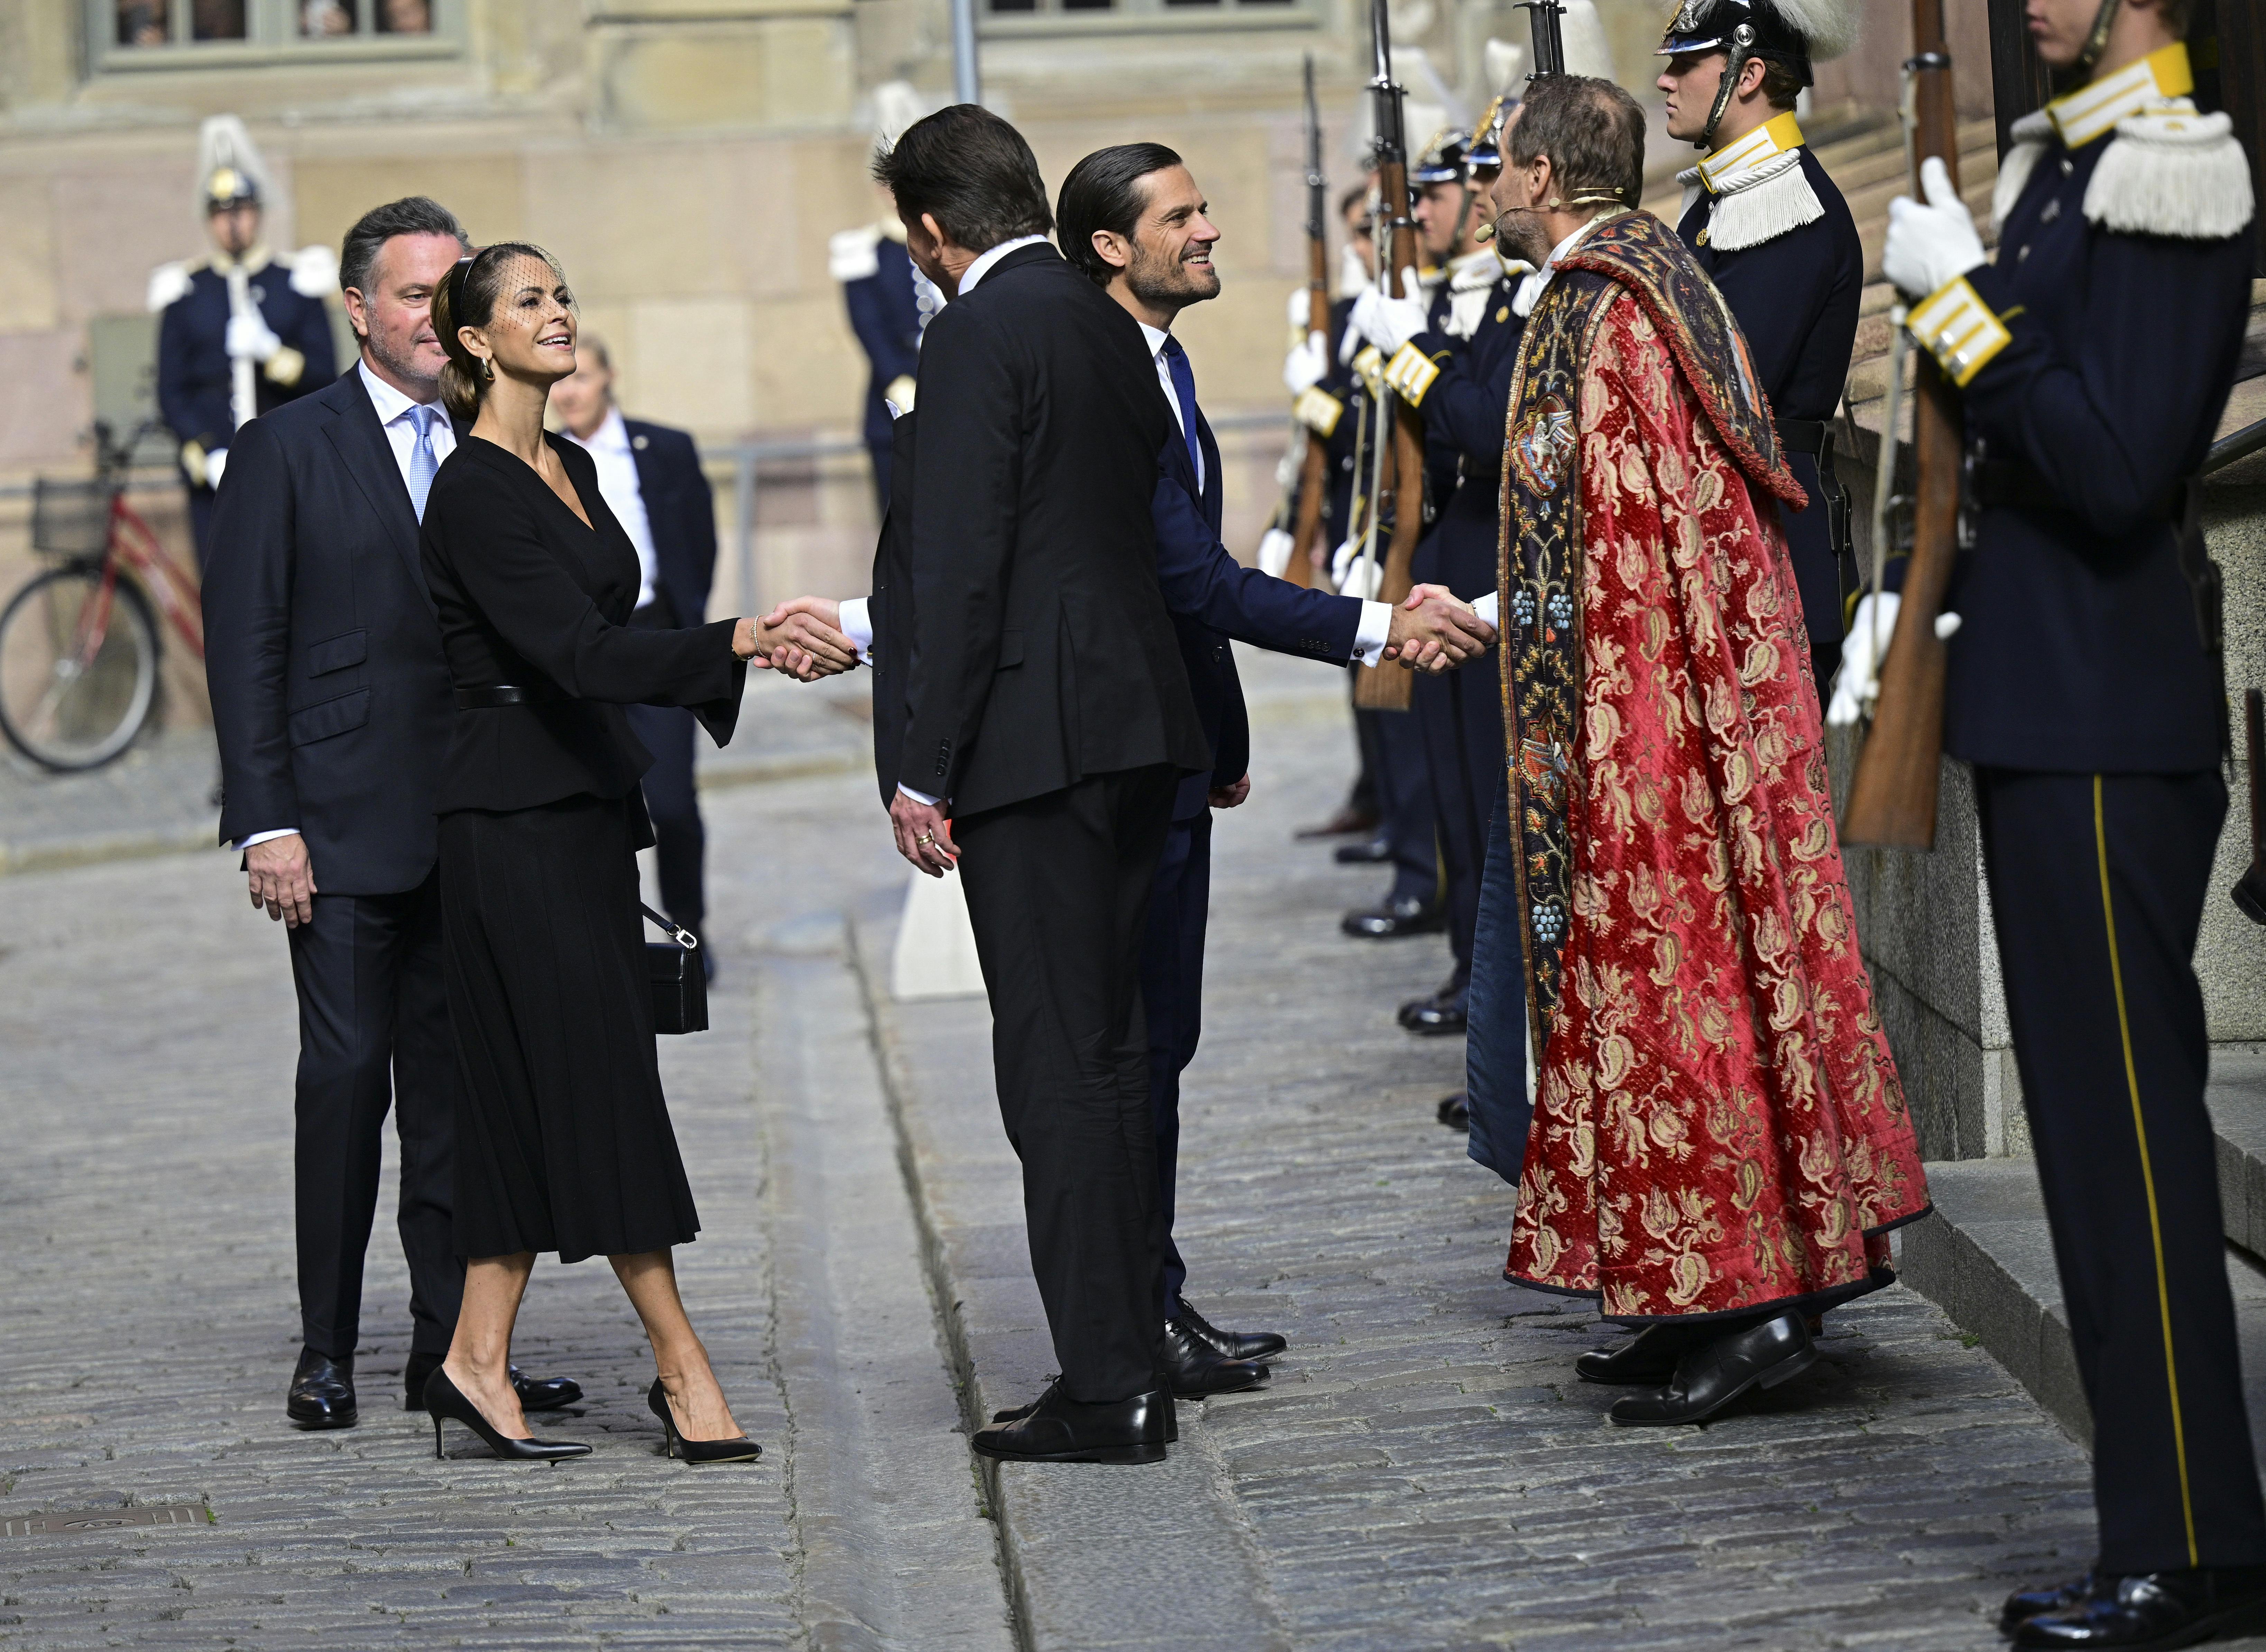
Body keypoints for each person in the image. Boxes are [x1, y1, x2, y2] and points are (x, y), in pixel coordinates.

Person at [762, 146, 1495, 1410]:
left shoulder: (1063, 340)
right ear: (1102, 241)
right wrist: (1372, 630)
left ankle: (1125, 1341)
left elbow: (1085, 566)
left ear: (927, 230)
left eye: (1207, 207)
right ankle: (1134, 1322)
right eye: (1183, 216)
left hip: (1120, 755)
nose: (1208, 230)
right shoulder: (1079, 339)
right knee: (1109, 1055)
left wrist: (928, 762)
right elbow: (1019, 556)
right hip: (1107, 749)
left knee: (1118, 1054)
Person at [1866, 0, 2265, 1640]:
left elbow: (2111, 466)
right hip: (2046, 712)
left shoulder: (2175, 171)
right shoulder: (2067, 165)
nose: (2031, 7)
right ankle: (2173, 1526)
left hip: (2108, 728)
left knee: (2127, 1163)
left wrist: (1953, 309)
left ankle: (2187, 1552)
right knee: (2100, 1161)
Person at [1476, 75, 1929, 1424]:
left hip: (1646, 731)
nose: (1493, 190)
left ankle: (1756, 1302)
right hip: (1693, 701)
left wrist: (1619, 753)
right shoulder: (1654, 272)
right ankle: (1701, 1291)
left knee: (1690, 1003)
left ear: (1547, 178)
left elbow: (1622, 540)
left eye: (1502, 169)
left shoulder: (1593, 307)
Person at [414, 242, 812, 1464]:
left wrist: (732, 643)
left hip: (581, 817)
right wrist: (735, 638)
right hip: (508, 829)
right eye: (529, 301)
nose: (558, 313)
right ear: (477, 339)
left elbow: (616, 630)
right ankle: (684, 1371)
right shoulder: (474, 491)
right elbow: (577, 655)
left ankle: (474, 1359)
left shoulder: (575, 462)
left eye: (562, 294)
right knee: (599, 1086)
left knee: (545, 1094)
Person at [204, 196, 578, 1433]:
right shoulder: (285, 448)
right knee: (345, 1081)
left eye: (448, 292)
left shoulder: (504, 441)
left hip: (476, 826)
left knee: (458, 1102)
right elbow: (245, 645)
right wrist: (267, 822)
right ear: (359, 310)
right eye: (411, 295)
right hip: (342, 830)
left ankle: (448, 1352)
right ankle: (325, 1347)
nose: (433, 316)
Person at [1348, 112, 1532, 1084]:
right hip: (1454, 546)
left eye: (1446, 190)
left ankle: (1494, 1003)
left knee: (1491, 802)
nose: (1427, 209)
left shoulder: (1517, 291)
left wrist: (1415, 349)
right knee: (1462, 795)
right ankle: (1481, 987)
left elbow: (1481, 421)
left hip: (1493, 550)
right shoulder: (1494, 291)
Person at [1656, 0, 1863, 701]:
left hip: (1769, 559)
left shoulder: (1784, 208)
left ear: (1746, 75)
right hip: (1729, 549)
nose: (1667, 81)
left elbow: (1720, 392)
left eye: (1686, 63)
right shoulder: (1727, 200)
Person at [553, 338, 720, 961]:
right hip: (579, 651)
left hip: (654, 643)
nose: (569, 392)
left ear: (608, 379)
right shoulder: (537, 457)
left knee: (672, 803)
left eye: (582, 378)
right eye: (561, 382)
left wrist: (686, 626)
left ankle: (689, 927)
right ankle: (604, 940)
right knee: (591, 810)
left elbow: (697, 546)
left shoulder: (664, 449)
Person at [153, 117, 337, 570]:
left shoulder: (294, 282)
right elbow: (172, 391)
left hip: (287, 465)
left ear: (258, 212)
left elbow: (325, 375)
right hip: (214, 473)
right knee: (225, 589)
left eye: (241, 210)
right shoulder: (186, 291)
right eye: (220, 213)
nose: (232, 223)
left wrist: (273, 355)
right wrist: (203, 452)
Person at [831, 193, 932, 513]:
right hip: (896, 401)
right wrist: (898, 382)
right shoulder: (863, 250)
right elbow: (868, 325)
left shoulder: (953, 242)